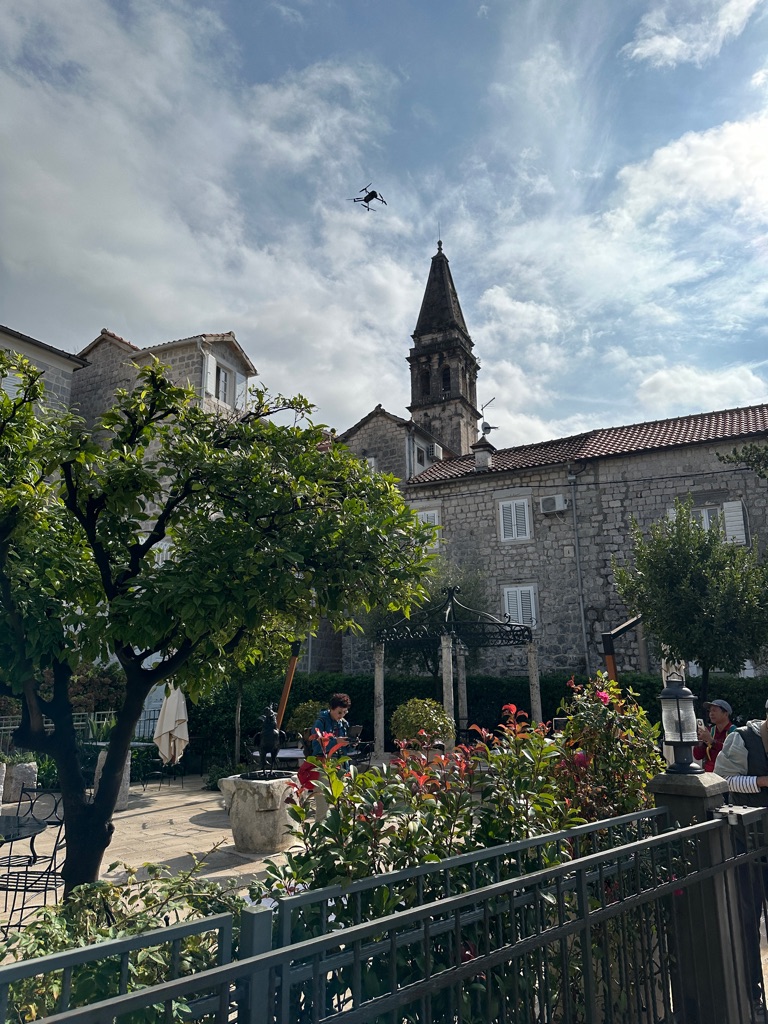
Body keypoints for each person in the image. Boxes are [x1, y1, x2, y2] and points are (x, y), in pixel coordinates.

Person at [714, 700, 768, 1020]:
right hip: (749, 846)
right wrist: (761, 781)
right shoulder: (743, 739)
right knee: (749, 921)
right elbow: (723, 779)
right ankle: (753, 993)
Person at [693, 699, 736, 772]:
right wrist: (700, 741)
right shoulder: (710, 731)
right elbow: (698, 756)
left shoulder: (734, 732)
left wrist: (711, 741)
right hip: (710, 773)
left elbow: (731, 754)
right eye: (710, 711)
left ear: (726, 714)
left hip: (727, 772)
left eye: (714, 710)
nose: (711, 714)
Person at [310, 693, 352, 757]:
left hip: (341, 761)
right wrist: (336, 742)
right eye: (339, 712)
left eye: (345, 712)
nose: (342, 715)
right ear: (331, 709)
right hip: (325, 761)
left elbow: (348, 750)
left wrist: (352, 744)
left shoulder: (344, 723)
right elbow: (316, 748)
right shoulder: (320, 723)